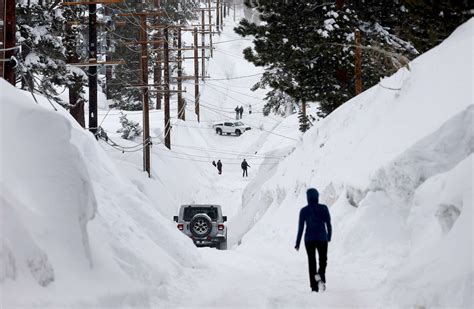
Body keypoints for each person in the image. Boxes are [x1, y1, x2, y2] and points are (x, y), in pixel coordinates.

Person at [295, 188, 332, 293]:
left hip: (309, 240)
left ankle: (314, 287)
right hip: (322, 239)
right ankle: (320, 278)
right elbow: (328, 223)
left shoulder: (304, 211)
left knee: (312, 262)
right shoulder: (324, 208)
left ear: (307, 198)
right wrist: (329, 236)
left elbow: (301, 228)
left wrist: (297, 243)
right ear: (317, 197)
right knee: (323, 260)